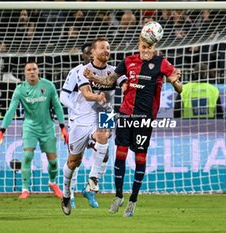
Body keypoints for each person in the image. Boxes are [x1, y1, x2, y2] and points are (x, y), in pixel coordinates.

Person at [84, 28, 182, 217]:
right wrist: (93, 77)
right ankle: (119, 196)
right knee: (120, 155)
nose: (146, 50)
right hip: (125, 115)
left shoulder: (161, 63)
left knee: (139, 159)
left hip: (144, 119)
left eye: (149, 47)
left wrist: (176, 83)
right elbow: (108, 81)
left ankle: (133, 200)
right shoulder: (128, 61)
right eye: (143, 46)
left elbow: (179, 89)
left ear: (154, 47)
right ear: (139, 45)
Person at [60, 37, 127, 215]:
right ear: (93, 52)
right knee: (74, 161)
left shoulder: (114, 70)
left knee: (103, 137)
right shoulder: (83, 70)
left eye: (109, 48)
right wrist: (97, 97)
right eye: (103, 48)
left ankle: (93, 182)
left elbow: (125, 84)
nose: (107, 50)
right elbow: (86, 93)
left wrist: (130, 88)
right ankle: (67, 193)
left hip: (105, 113)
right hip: (82, 117)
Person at [0, 60, 68, 199]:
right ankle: (25, 189)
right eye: (29, 70)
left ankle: (52, 183)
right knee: (27, 156)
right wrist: (1, 130)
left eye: (34, 69)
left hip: (47, 127)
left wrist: (63, 127)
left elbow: (57, 106)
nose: (32, 72)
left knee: (53, 162)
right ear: (24, 73)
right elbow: (11, 110)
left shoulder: (48, 86)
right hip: (30, 127)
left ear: (38, 70)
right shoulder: (20, 89)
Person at [59, 43, 92, 211]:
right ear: (83, 56)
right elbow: (63, 96)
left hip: (99, 119)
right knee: (75, 161)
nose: (91, 56)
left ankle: (90, 187)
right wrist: (75, 108)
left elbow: (109, 97)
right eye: (87, 54)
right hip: (78, 121)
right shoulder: (76, 72)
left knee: (104, 150)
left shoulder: (109, 71)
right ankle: (69, 193)